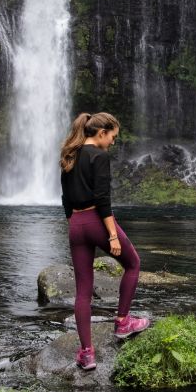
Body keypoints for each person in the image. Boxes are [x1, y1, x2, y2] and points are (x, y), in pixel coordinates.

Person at [59, 112, 150, 371]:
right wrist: (111, 235)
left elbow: (65, 199)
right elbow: (102, 199)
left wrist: (74, 226)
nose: (112, 142)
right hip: (96, 222)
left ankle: (87, 354)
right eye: (112, 137)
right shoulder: (99, 156)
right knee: (133, 263)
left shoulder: (69, 155)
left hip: (76, 225)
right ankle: (122, 322)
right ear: (101, 133)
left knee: (82, 292)